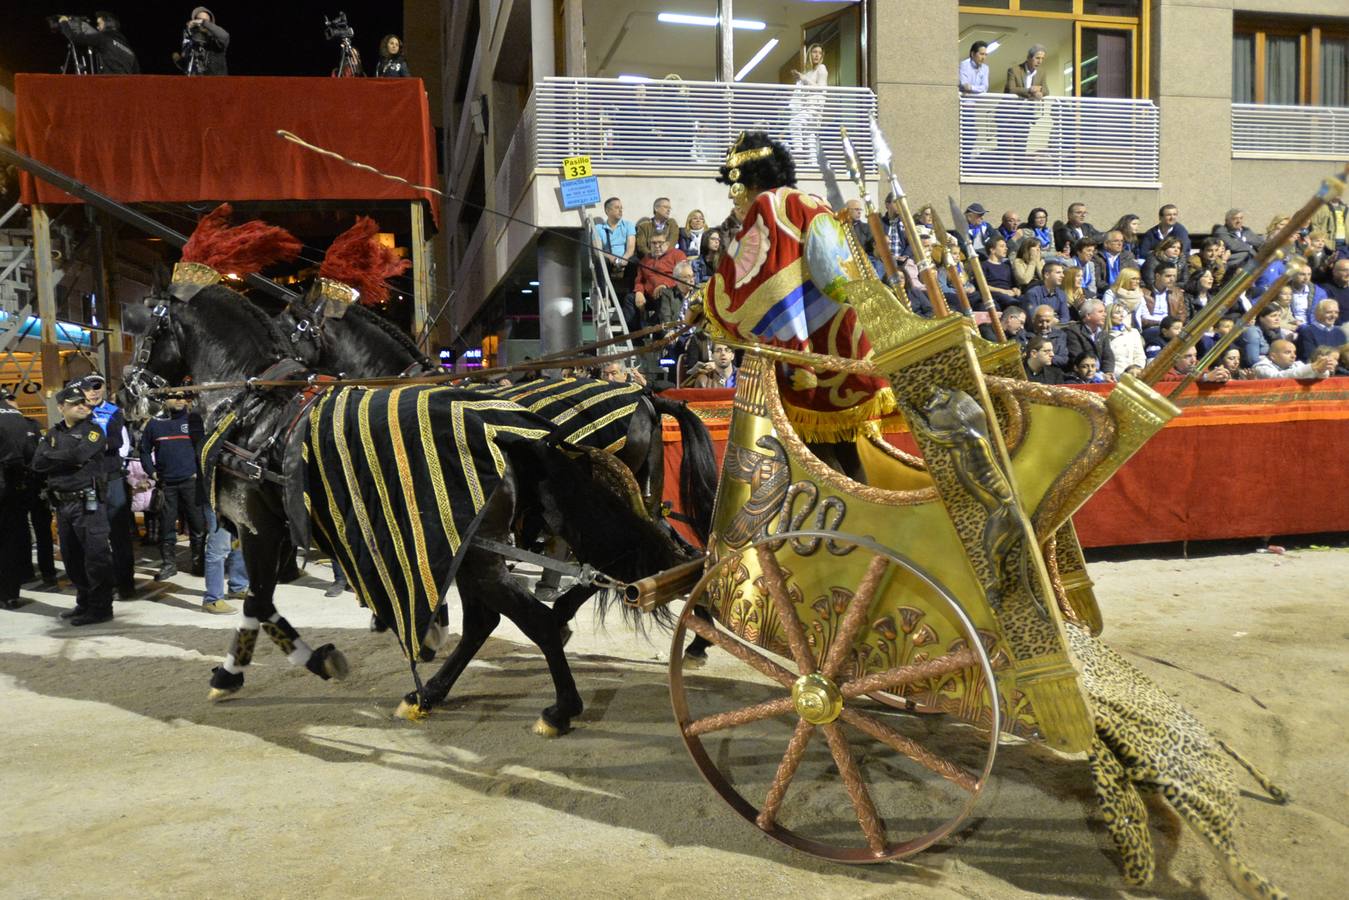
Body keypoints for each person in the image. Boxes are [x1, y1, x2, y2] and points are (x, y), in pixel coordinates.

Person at [702, 131, 895, 457]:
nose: (736, 200)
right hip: (844, 332)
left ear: (747, 182)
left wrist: (705, 298)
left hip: (811, 342)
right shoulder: (808, 199)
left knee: (816, 450)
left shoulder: (767, 204)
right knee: (842, 447)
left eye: (736, 190)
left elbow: (755, 273)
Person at [31, 384, 115, 626]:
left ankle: (101, 608)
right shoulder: (53, 433)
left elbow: (79, 456)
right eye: (75, 403)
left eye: (85, 403)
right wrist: (64, 459)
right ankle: (84, 602)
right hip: (63, 504)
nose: (83, 406)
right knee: (71, 558)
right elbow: (37, 463)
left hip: (87, 503)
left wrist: (53, 457)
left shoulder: (93, 431)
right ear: (61, 408)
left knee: (96, 557)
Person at [77, 374, 136, 600]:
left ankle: (126, 584)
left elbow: (121, 444)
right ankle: (101, 585)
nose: (93, 392)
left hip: (111, 479)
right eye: (88, 387)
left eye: (97, 387)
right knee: (94, 535)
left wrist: (90, 448)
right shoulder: (78, 411)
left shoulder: (113, 412)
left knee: (119, 534)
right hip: (88, 481)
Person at [140, 391, 206, 580]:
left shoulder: (194, 421)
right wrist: (152, 473)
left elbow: (203, 448)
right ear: (164, 399)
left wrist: (198, 472)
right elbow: (144, 451)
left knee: (198, 525)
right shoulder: (154, 424)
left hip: (191, 483)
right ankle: (169, 565)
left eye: (182, 396)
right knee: (166, 526)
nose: (179, 399)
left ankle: (198, 563)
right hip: (167, 484)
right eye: (174, 396)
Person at [0, 387, 38, 609]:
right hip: (15, 484)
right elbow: (30, 452)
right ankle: (10, 592)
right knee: (11, 540)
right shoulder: (18, 417)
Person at [631, 232, 687, 332]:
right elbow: (639, 280)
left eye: (660, 243)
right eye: (653, 243)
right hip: (649, 294)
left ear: (667, 244)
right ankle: (635, 335)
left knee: (664, 294)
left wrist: (665, 285)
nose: (657, 246)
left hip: (670, 293)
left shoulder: (677, 255)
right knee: (629, 299)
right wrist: (639, 292)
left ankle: (658, 328)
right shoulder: (645, 260)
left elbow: (683, 276)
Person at [594, 196, 636, 322]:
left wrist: (625, 258)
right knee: (600, 260)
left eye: (621, 208)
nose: (620, 210)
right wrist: (611, 257)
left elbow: (631, 246)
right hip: (609, 259)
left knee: (636, 262)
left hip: (625, 259)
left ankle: (633, 293)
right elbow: (597, 249)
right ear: (607, 211)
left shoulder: (628, 225)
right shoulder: (599, 228)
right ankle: (605, 296)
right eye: (617, 208)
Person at [57, 11, 139, 74]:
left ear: (107, 24)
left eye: (99, 23)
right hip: (126, 90)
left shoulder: (103, 38)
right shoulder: (129, 49)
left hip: (109, 87)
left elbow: (74, 38)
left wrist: (64, 22)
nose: (98, 27)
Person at [200, 505, 243, 615]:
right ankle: (213, 599)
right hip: (217, 500)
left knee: (238, 542)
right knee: (218, 548)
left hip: (235, 498)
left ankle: (238, 586)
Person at [788, 43, 828, 159]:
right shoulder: (807, 72)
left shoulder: (821, 68)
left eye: (820, 53)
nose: (817, 55)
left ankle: (798, 151)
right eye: (815, 52)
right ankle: (813, 164)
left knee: (795, 123)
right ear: (810, 54)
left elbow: (822, 88)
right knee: (809, 136)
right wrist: (801, 79)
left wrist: (804, 79)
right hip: (805, 107)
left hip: (814, 109)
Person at [1064, 298, 1115, 379]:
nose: (1105, 315)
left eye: (1104, 312)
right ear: (1088, 315)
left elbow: (1108, 356)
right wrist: (1100, 376)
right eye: (1100, 312)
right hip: (1082, 376)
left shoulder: (1103, 333)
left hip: (1102, 375)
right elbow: (1078, 358)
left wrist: (1108, 373)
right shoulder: (1073, 332)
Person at [177, 7, 228, 75]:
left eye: (205, 20)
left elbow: (225, 36)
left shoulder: (216, 41)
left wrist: (202, 22)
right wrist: (180, 62)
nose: (201, 23)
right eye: (198, 19)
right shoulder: (191, 41)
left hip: (216, 83)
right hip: (195, 83)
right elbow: (189, 67)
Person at [1251, 338, 1337, 379]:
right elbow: (1277, 377)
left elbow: (1316, 376)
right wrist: (1313, 367)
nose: (1293, 356)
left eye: (1294, 352)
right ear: (1273, 356)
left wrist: (1322, 370)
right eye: (1288, 352)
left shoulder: (1298, 365)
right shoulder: (1261, 367)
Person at [1106, 302, 1146, 375]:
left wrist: (1136, 370)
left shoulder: (1133, 332)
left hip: (1134, 375)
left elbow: (1140, 356)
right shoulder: (1104, 336)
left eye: (1122, 312)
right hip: (1115, 375)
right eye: (1117, 313)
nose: (1121, 315)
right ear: (1109, 315)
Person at [981, 236, 1020, 309]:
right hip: (994, 295)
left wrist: (1016, 290)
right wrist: (1003, 291)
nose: (1006, 248)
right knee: (1011, 302)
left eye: (1006, 246)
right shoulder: (984, 266)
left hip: (1009, 294)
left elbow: (1013, 284)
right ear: (992, 250)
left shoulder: (1007, 266)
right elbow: (982, 286)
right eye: (1002, 246)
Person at [1029, 304, 1069, 369]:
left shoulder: (1060, 335)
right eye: (1040, 321)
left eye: (1047, 321)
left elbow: (1063, 360)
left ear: (1053, 321)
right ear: (1034, 320)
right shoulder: (1027, 335)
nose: (1044, 325)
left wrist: (1042, 357)